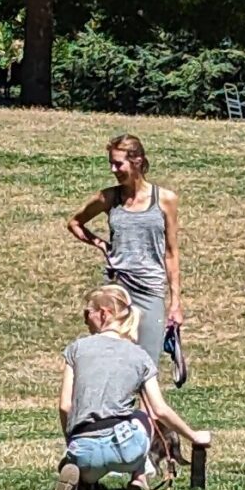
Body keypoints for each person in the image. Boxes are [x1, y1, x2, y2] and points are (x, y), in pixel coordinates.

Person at [57, 284, 210, 490]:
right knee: (141, 414)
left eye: (87, 313)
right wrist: (194, 436)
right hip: (126, 450)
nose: (84, 319)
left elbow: (65, 406)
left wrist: (72, 443)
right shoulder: (139, 356)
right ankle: (138, 476)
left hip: (84, 449)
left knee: (85, 453)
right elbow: (159, 411)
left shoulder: (76, 349)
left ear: (104, 313)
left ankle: (82, 475)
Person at [66, 134, 182, 377]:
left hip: (150, 289)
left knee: (146, 367)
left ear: (137, 161)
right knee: (115, 363)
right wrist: (100, 244)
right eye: (111, 163)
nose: (113, 169)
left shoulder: (165, 199)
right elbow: (75, 223)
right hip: (117, 290)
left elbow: (171, 253)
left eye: (118, 163)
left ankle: (147, 415)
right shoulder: (109, 197)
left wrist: (175, 303)